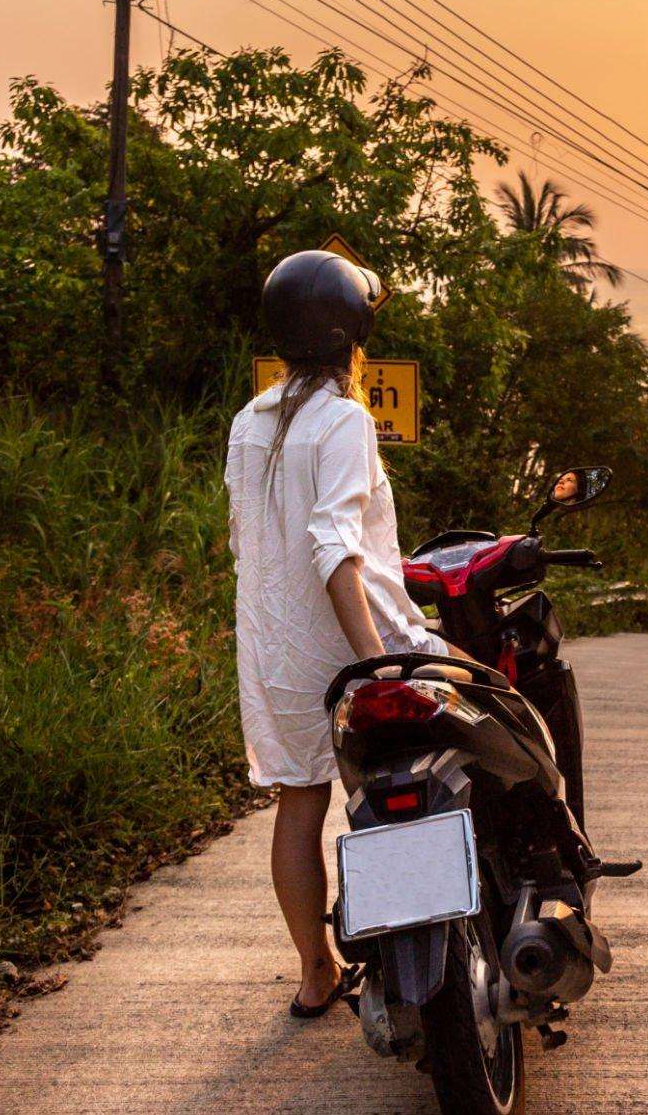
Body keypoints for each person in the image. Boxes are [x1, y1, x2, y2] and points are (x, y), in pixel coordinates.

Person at [224, 249, 452, 1019]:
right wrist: (379, 660)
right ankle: (426, 953)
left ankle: (315, 972)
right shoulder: (346, 417)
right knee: (432, 762)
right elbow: (333, 546)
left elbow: (244, 540)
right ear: (350, 334)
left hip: (277, 650)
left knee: (300, 800)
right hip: (350, 637)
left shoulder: (248, 422)